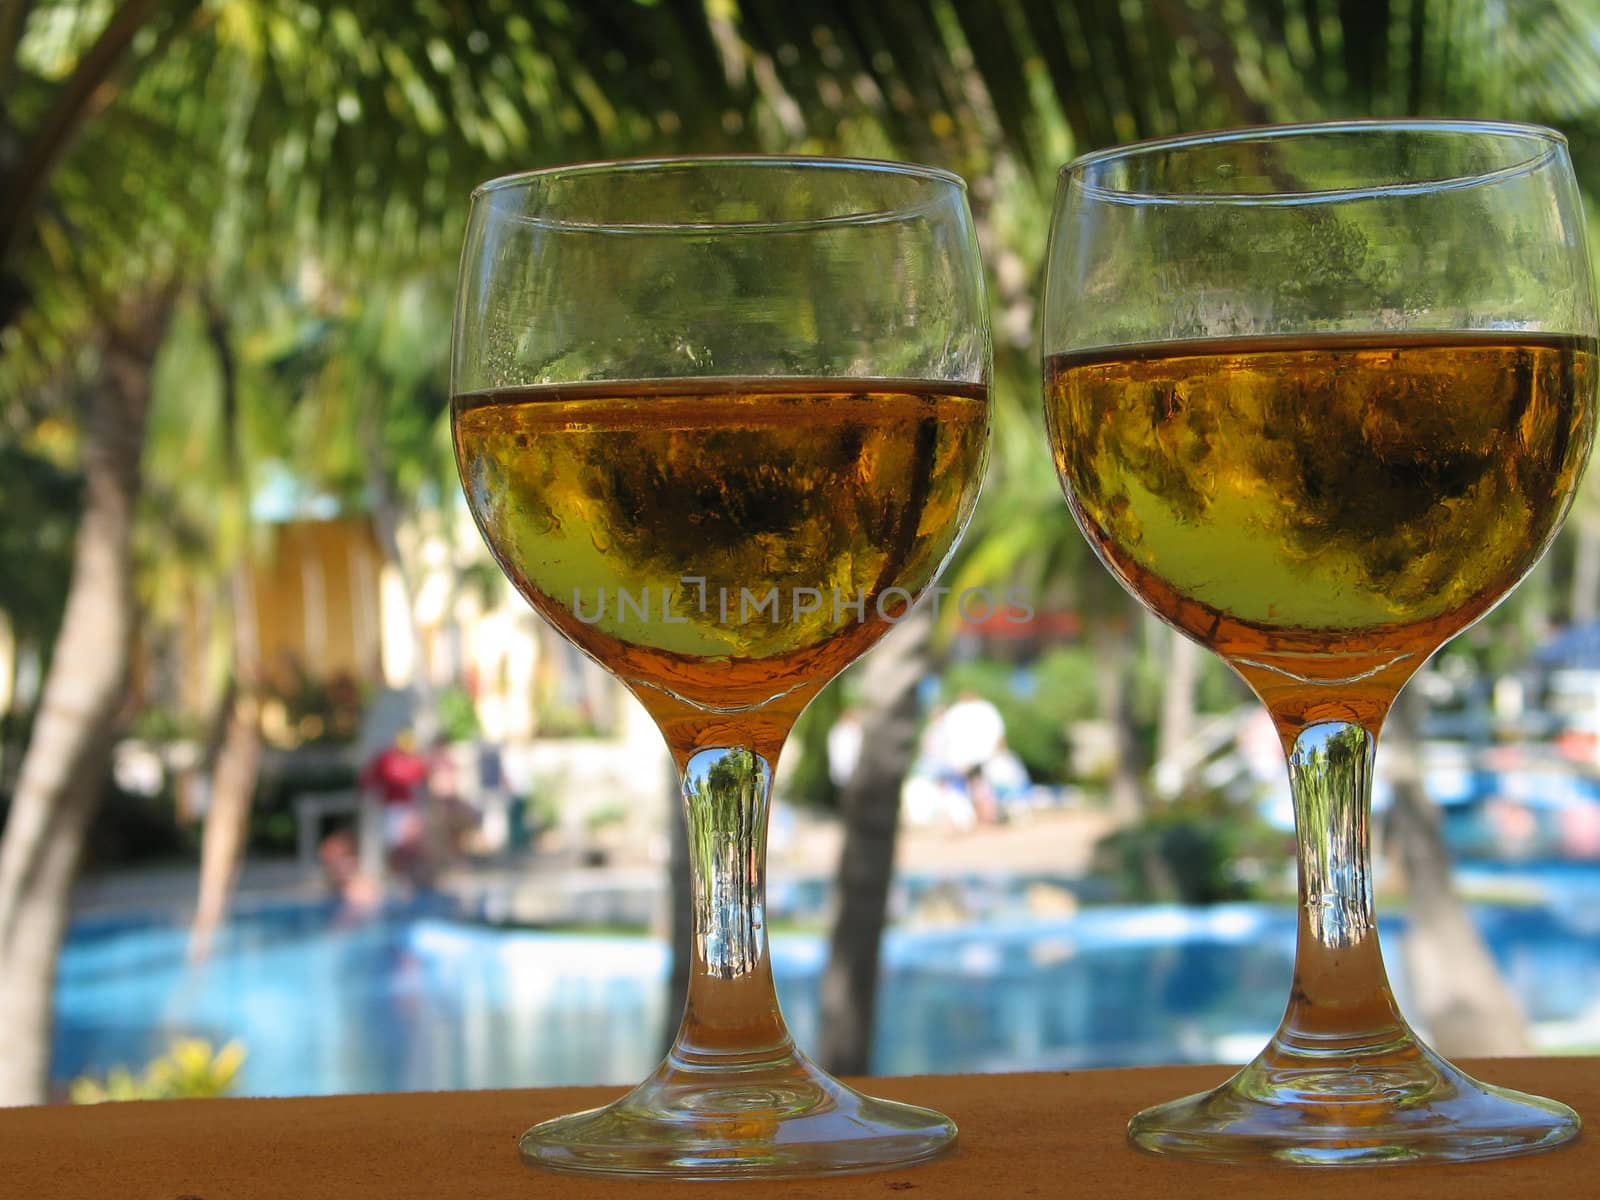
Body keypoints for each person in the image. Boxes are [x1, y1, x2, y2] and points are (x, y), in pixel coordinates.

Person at [360, 729, 430, 882]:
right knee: (395, 844)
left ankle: (411, 873)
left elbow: (422, 779)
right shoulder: (387, 759)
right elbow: (370, 778)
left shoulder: (413, 760)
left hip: (409, 806)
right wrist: (371, 795)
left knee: (411, 843)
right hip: (393, 807)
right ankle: (396, 873)